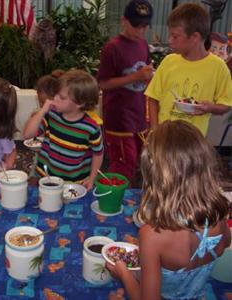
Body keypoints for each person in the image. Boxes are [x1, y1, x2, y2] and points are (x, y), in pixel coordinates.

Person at [106, 120, 231, 300]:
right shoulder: (219, 216)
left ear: (155, 178)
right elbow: (225, 244)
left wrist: (124, 275)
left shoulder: (152, 235)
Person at [145, 3, 232, 136]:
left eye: (175, 36)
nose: (170, 40)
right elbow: (153, 98)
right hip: (164, 137)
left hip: (194, 142)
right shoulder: (169, 61)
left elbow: (226, 105)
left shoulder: (218, 67)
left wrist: (210, 108)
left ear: (195, 37)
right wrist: (155, 130)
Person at [97, 0, 155, 184]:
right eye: (136, 25)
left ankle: (131, 200)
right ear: (124, 21)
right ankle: (114, 203)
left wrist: (149, 76)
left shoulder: (143, 45)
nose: (141, 31)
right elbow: (103, 84)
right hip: (119, 118)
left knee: (141, 161)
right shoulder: (112, 47)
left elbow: (144, 73)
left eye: (145, 26)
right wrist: (136, 76)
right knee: (123, 163)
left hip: (139, 115)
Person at [23, 70, 103, 191]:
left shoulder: (91, 128)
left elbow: (98, 153)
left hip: (74, 184)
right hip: (46, 177)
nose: (55, 98)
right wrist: (43, 110)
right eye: (56, 94)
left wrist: (93, 177)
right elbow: (27, 134)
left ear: (79, 103)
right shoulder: (51, 116)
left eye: (62, 97)